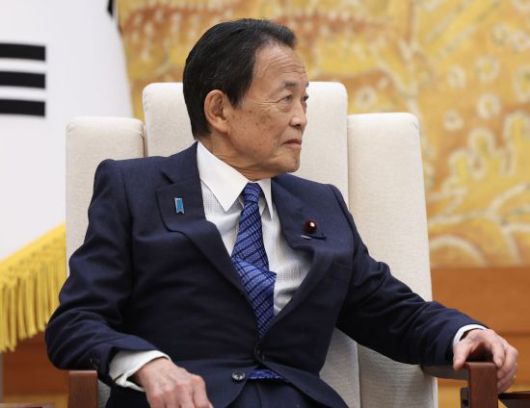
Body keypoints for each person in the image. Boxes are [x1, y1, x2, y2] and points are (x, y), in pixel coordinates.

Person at [45, 19, 518, 408]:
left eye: (304, 100)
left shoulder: (322, 205)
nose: (301, 117)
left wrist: (466, 332)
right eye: (285, 98)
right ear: (219, 110)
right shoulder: (135, 189)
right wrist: (147, 365)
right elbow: (76, 321)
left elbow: (390, 311)